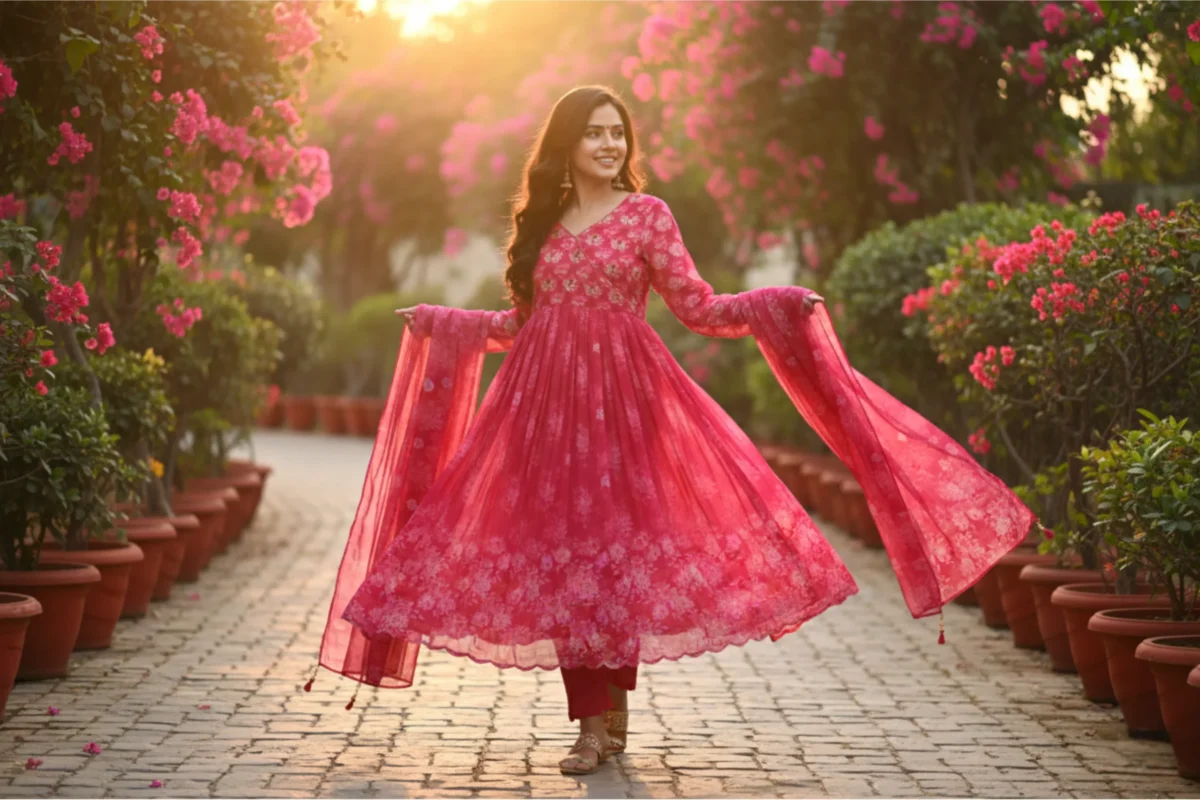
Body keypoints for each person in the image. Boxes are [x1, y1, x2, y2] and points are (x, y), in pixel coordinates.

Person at [319, 85, 1034, 776]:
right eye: (594, 132)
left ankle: (605, 719)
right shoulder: (541, 221)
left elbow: (698, 305)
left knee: (612, 559)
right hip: (542, 414)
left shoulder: (648, 215)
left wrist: (777, 305)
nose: (608, 144)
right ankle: (593, 727)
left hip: (629, 407)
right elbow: (520, 324)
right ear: (565, 145)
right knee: (570, 561)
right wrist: (443, 324)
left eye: (616, 133)